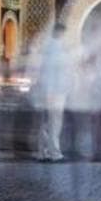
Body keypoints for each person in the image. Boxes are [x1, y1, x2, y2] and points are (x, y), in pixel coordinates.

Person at [35, 24, 71, 162]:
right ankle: (55, 154)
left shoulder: (47, 47)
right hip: (55, 92)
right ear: (60, 33)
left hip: (47, 91)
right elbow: (54, 73)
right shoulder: (57, 49)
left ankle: (42, 152)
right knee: (55, 124)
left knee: (45, 123)